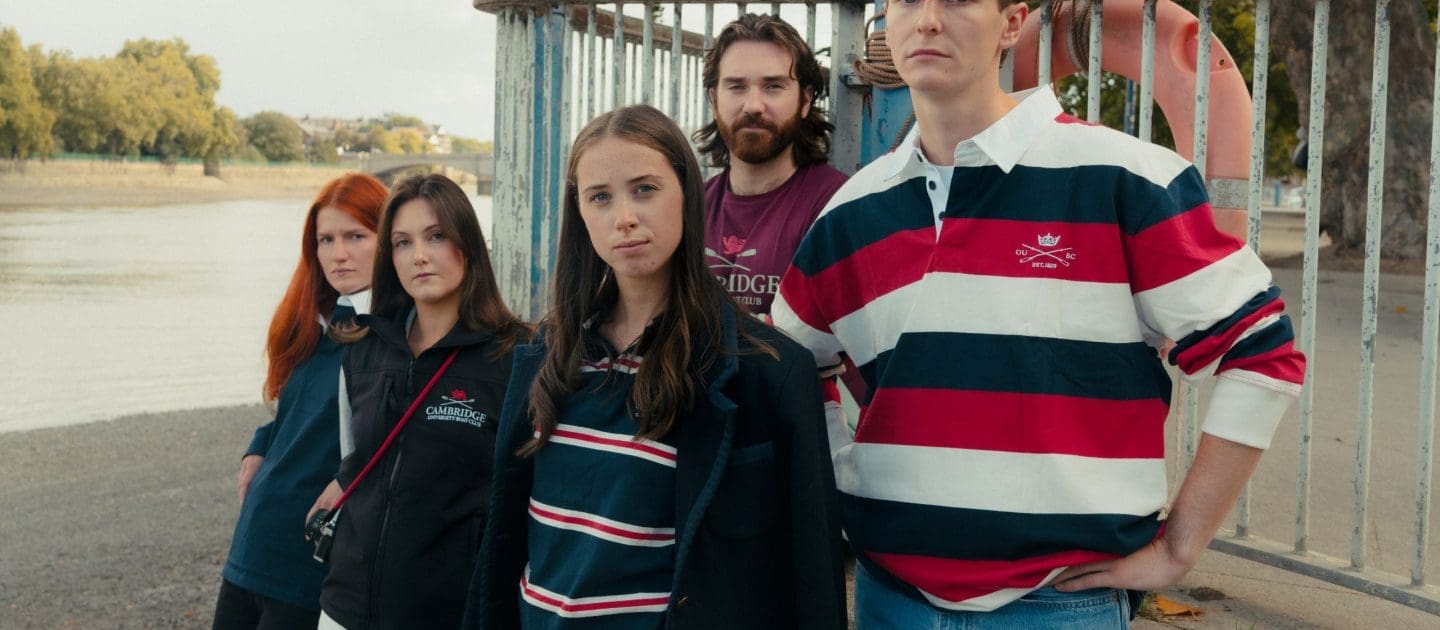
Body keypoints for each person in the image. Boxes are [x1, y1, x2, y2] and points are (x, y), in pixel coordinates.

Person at [771, 0, 1307, 627]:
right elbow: (790, 366)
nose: (929, 19)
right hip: (890, 599)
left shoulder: (1123, 177)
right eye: (908, 1)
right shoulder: (851, 211)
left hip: (1060, 604)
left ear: (1011, 23)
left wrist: (1179, 546)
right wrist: (843, 474)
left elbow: (1261, 352)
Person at [464, 104, 846, 629]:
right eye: (600, 197)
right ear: (580, 213)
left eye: (644, 189)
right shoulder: (546, 354)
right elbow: (502, 546)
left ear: (687, 194)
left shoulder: (767, 372)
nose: (624, 216)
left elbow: (811, 578)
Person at [312, 174, 531, 629]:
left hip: (446, 613)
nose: (420, 256)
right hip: (344, 609)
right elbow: (352, 461)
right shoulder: (363, 349)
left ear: (468, 243)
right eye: (402, 243)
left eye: (436, 236)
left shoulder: (516, 358)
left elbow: (523, 501)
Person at [214, 173, 386, 630]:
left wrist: (348, 478)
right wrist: (259, 443)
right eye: (325, 240)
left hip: (314, 557)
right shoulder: (319, 323)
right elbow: (299, 411)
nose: (338, 254)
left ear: (388, 238)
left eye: (355, 236)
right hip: (255, 540)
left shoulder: (396, 335)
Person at [694, 13, 848, 319]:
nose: (753, 105)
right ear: (714, 99)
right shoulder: (691, 207)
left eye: (773, 86)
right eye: (736, 86)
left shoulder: (838, 206)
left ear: (805, 100)